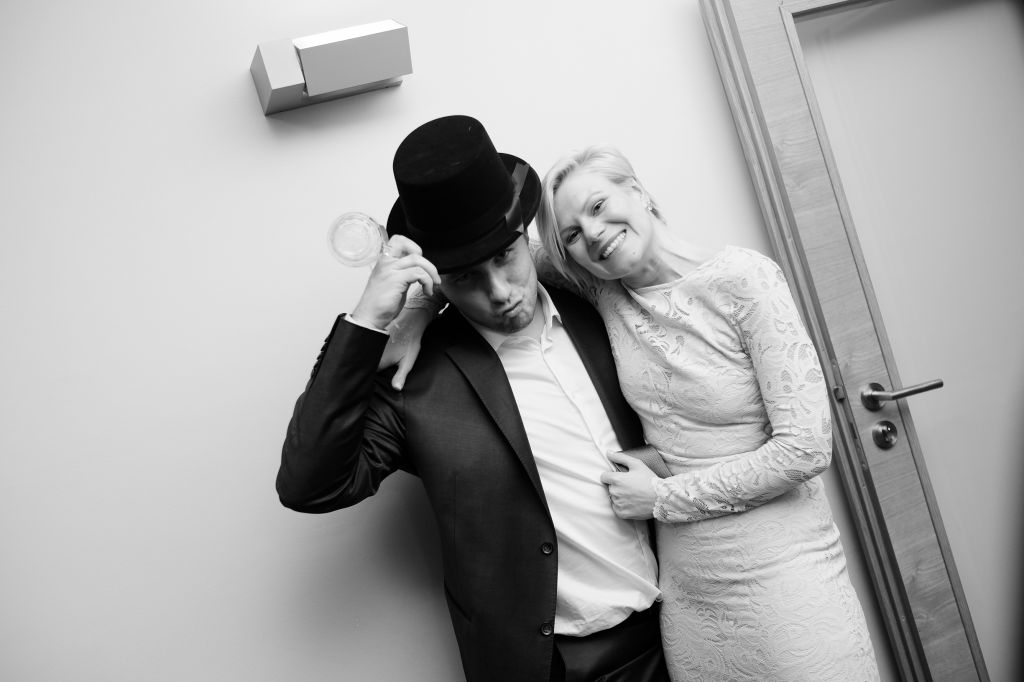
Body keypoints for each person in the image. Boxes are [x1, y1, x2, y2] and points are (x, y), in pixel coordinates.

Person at [276, 117, 671, 682]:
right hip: (548, 666)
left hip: (681, 629)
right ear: (436, 278)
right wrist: (370, 320)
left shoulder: (599, 302)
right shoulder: (416, 378)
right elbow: (309, 485)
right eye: (465, 277)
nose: (500, 292)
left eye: (506, 257)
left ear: (526, 238)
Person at [531, 145, 881, 680]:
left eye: (598, 206)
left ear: (638, 192)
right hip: (691, 597)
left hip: (784, 578)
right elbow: (492, 257)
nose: (593, 233)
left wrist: (662, 498)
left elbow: (805, 449)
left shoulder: (744, 278)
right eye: (572, 234)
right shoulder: (604, 289)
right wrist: (416, 309)